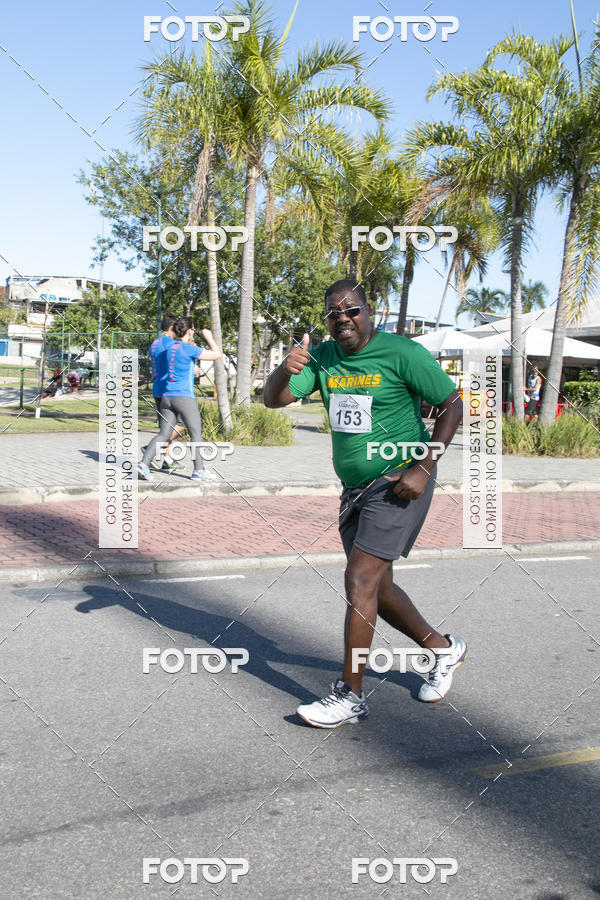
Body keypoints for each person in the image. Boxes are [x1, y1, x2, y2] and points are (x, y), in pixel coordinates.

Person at [264, 280, 467, 728]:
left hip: (399, 481)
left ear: (368, 310)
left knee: (358, 579)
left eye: (351, 310)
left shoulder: (403, 353)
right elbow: (274, 400)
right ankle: (443, 649)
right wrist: (283, 369)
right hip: (354, 488)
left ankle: (349, 695)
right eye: (334, 313)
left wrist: (425, 467)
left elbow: (452, 404)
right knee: (378, 588)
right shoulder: (322, 357)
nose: (343, 319)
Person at [138, 317, 221, 482]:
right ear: (189, 331)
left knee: (164, 433)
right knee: (196, 432)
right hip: (183, 396)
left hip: (166, 396)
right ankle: (198, 471)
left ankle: (143, 464)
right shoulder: (188, 349)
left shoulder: (170, 348)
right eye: (193, 330)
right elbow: (217, 355)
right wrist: (209, 337)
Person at [145, 314, 187, 472]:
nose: (179, 329)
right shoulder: (171, 344)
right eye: (177, 327)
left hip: (158, 389)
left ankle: (166, 460)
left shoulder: (155, 343)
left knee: (166, 427)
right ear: (171, 327)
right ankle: (152, 447)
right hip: (169, 391)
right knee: (183, 423)